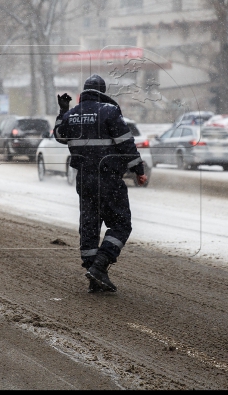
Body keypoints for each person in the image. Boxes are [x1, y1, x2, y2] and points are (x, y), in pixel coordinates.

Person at [54, 74, 148, 293]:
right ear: (103, 92)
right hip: (108, 179)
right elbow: (126, 143)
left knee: (89, 225)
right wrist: (138, 170)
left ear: (84, 92)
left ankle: (94, 275)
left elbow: (59, 135)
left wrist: (63, 110)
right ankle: (99, 266)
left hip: (84, 180)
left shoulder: (72, 114)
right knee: (121, 224)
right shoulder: (109, 111)